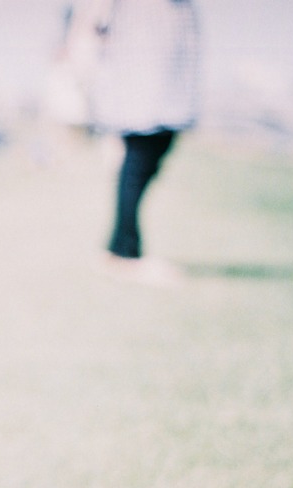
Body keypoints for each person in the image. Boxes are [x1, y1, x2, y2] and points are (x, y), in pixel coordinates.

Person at [79, 0, 201, 284]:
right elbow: (95, 17)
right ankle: (123, 251)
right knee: (140, 152)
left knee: (145, 154)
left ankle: (121, 248)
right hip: (144, 71)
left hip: (157, 73)